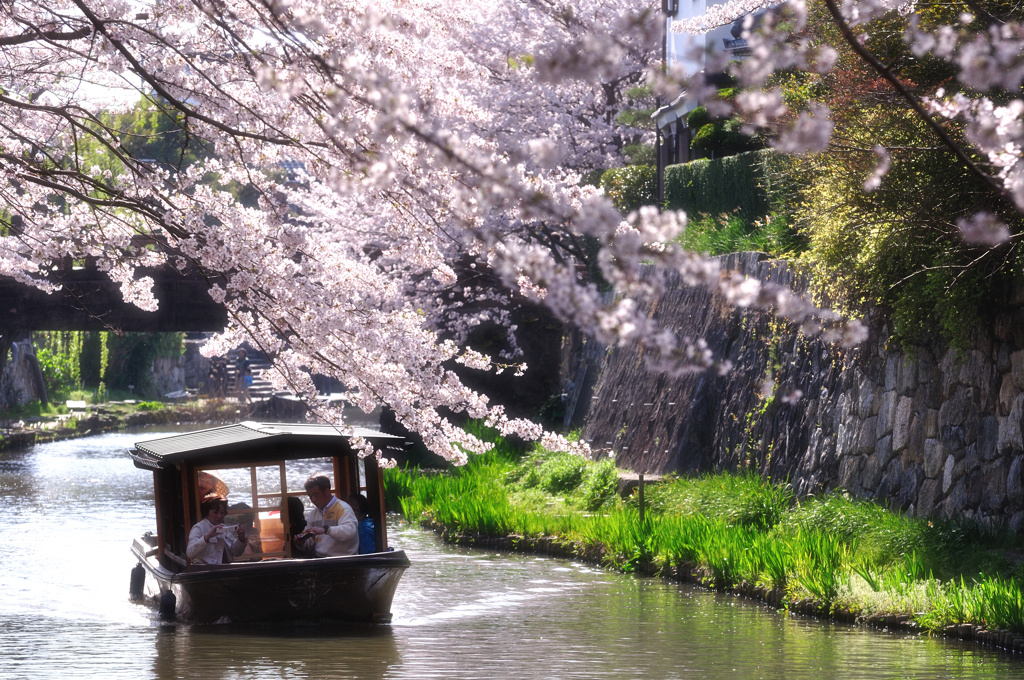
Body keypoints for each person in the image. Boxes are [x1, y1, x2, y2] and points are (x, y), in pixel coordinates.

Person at [295, 474, 358, 557]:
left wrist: (326, 530)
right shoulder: (313, 514)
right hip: (321, 561)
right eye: (310, 496)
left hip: (344, 561)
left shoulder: (343, 508)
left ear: (327, 491)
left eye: (316, 495)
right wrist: (301, 543)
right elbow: (309, 544)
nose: (312, 500)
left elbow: (350, 531)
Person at [187, 493, 247, 565]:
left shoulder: (224, 528)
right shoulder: (199, 528)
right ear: (206, 512)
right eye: (215, 513)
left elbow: (236, 553)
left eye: (222, 512)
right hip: (206, 571)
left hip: (226, 569)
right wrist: (207, 537)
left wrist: (241, 538)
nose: (219, 516)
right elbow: (190, 553)